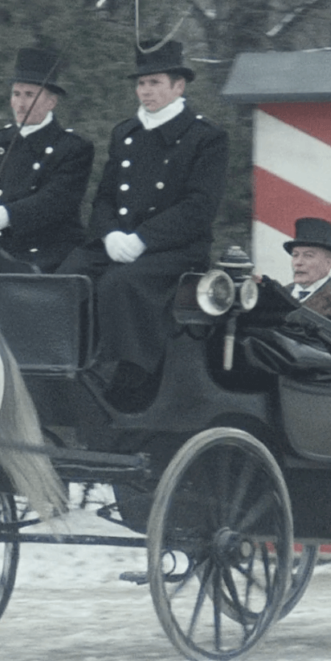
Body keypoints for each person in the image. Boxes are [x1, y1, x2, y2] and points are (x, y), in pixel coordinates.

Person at [57, 40, 228, 411]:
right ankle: (63, 366)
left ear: (178, 86)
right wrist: (109, 234)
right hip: (120, 240)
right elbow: (104, 197)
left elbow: (198, 207)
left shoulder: (206, 137)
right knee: (68, 275)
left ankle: (129, 376)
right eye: (141, 84)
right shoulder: (126, 133)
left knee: (121, 283)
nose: (146, 91)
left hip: (175, 249)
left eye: (154, 83)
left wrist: (143, 239)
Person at [0, 47, 94, 274]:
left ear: (51, 102)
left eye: (30, 95)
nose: (20, 104)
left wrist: (9, 215)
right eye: (16, 94)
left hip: (47, 249)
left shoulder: (73, 147)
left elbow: (56, 200)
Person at [281, 217, 331, 317]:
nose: (298, 262)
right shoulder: (281, 293)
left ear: (328, 263)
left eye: (308, 256)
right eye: (295, 255)